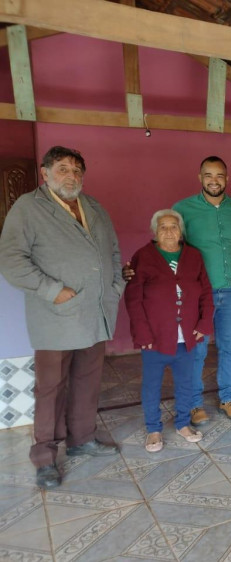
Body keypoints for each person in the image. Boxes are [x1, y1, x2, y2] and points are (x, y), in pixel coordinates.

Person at [0, 146, 124, 489]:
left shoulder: (93, 207)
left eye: (77, 170)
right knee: (50, 388)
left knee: (88, 380)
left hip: (94, 312)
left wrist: (115, 286)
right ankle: (44, 457)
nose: (71, 176)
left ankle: (82, 439)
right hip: (55, 315)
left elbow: (112, 250)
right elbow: (11, 260)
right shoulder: (29, 207)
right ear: (45, 173)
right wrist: (51, 289)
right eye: (63, 169)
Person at [124, 210, 214, 451]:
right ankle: (153, 429)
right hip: (154, 337)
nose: (168, 231)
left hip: (187, 337)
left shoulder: (193, 256)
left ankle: (183, 423)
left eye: (173, 226)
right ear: (155, 231)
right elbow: (133, 299)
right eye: (162, 227)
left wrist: (204, 324)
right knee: (151, 385)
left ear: (180, 230)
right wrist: (141, 334)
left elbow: (206, 291)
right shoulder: (143, 256)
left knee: (186, 382)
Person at [173, 156, 231, 425]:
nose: (213, 180)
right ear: (199, 177)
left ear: (227, 179)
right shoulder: (182, 209)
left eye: (219, 175)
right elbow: (170, 247)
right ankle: (194, 404)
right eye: (208, 175)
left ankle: (228, 399)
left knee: (228, 347)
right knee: (198, 350)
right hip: (199, 295)